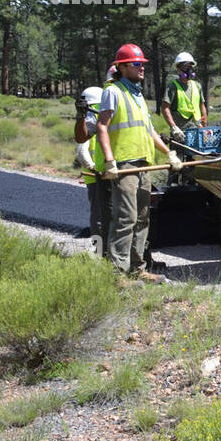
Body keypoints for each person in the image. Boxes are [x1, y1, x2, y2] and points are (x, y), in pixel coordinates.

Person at [96, 43, 182, 281]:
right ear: (122, 67)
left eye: (142, 64)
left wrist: (168, 153)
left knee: (143, 218)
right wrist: (110, 161)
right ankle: (117, 273)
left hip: (144, 164)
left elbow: (149, 130)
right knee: (126, 218)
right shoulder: (113, 92)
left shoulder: (137, 94)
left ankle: (137, 269)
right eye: (136, 64)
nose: (141, 68)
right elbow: (102, 126)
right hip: (124, 165)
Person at [74, 86, 111, 253]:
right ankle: (100, 251)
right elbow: (81, 150)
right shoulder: (90, 123)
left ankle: (108, 250)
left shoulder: (101, 121)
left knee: (104, 216)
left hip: (105, 173)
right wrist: (92, 167)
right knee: (99, 219)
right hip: (95, 176)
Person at [161, 51, 206, 143]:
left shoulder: (197, 85)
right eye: (186, 67)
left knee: (197, 156)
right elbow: (165, 108)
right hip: (180, 133)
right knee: (179, 157)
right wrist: (174, 127)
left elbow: (202, 106)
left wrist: (204, 125)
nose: (189, 69)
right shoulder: (173, 86)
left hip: (196, 130)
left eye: (190, 67)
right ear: (178, 69)